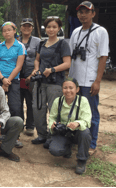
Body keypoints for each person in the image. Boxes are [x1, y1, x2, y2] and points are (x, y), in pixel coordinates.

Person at [69, 1, 109, 155]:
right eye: (80, 12)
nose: (83, 15)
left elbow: (103, 57)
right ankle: (77, 138)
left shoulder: (101, 32)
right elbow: (71, 56)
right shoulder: (76, 32)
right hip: (75, 80)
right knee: (75, 111)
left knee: (91, 112)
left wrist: (97, 81)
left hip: (89, 81)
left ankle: (91, 143)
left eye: (86, 12)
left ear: (93, 13)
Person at [30, 16, 71, 145]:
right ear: (45, 28)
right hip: (40, 82)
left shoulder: (63, 44)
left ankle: (52, 136)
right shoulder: (41, 43)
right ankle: (42, 134)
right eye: (48, 27)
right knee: (37, 109)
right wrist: (36, 69)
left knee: (54, 110)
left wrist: (52, 70)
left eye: (54, 27)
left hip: (55, 83)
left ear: (59, 28)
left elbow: (67, 63)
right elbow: (37, 59)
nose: (51, 29)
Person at [48, 77, 92, 175]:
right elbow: (52, 117)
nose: (68, 91)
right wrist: (52, 125)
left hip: (77, 132)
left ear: (77, 89)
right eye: (65, 88)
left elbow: (87, 120)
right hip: (63, 132)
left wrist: (77, 123)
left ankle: (81, 160)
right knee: (54, 150)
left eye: (71, 88)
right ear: (62, 89)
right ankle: (67, 149)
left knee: (85, 131)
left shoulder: (83, 101)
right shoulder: (57, 101)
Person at [0, 21, 26, 147]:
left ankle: (15, 136)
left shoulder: (20, 46)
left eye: (9, 30)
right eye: (4, 30)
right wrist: (2, 78)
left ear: (14, 31)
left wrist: (8, 81)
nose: (6, 32)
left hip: (14, 81)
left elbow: (19, 66)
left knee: (15, 106)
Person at [18, 18, 41, 137]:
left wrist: (33, 74)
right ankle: (20, 124)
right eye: (24, 26)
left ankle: (30, 126)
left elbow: (39, 59)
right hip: (18, 75)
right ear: (20, 28)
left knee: (30, 101)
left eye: (29, 26)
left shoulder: (37, 41)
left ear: (32, 28)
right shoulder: (16, 40)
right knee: (18, 101)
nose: (26, 28)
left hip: (31, 75)